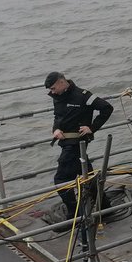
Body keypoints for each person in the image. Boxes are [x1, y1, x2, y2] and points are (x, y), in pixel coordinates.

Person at [45, 71, 113, 219]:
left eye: (53, 88)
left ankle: (75, 213)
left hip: (77, 143)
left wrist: (92, 128)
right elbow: (58, 116)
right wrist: (55, 129)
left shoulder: (83, 96)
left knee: (61, 179)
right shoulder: (57, 97)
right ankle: (105, 205)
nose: (52, 92)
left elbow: (106, 108)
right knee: (86, 174)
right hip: (65, 142)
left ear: (61, 83)